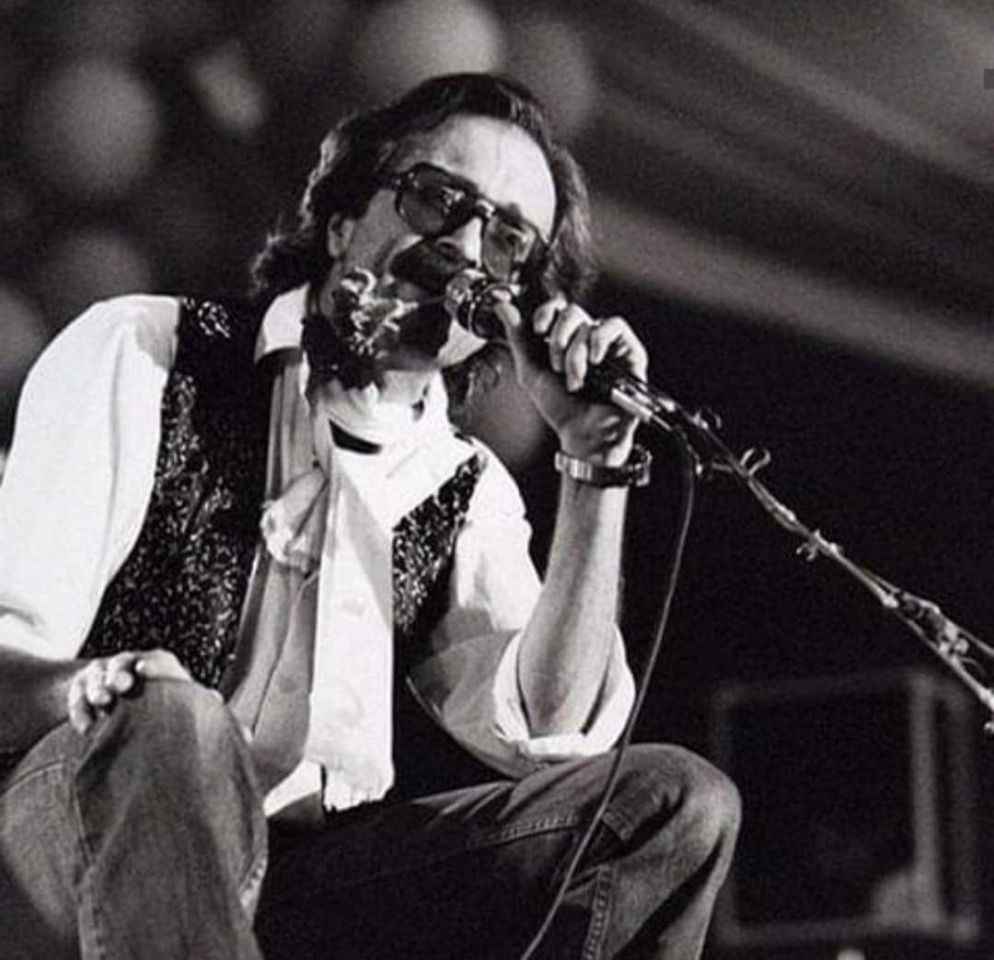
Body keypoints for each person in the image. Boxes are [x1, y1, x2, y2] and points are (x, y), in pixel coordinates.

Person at [0, 72, 739, 959]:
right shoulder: (150, 351)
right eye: (438, 200)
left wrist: (595, 462)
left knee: (674, 805)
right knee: (173, 720)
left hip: (300, 886)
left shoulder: (461, 484)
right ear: (343, 219)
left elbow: (553, 733)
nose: (465, 246)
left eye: (508, 239)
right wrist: (113, 693)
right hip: (73, 828)